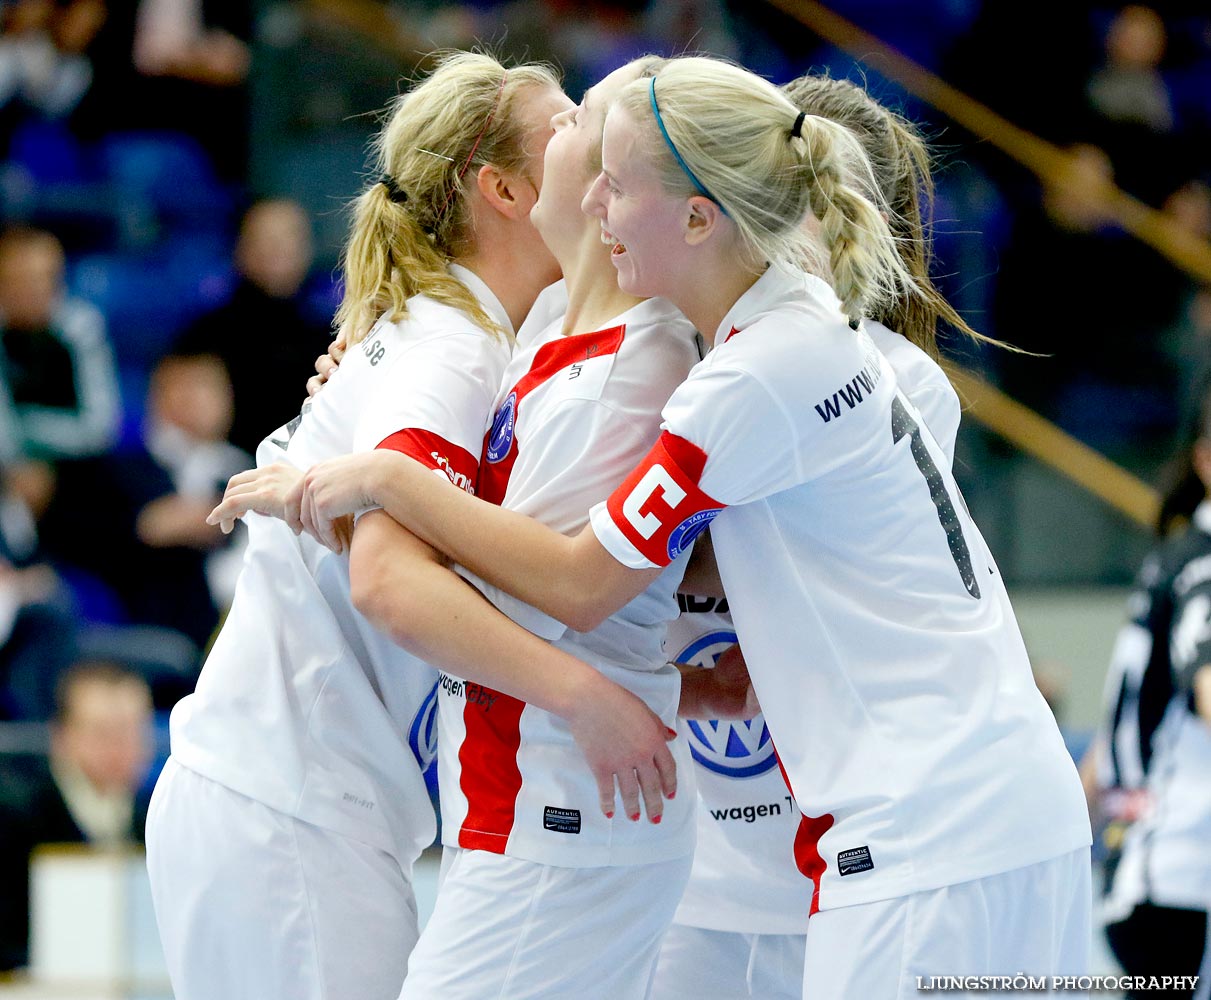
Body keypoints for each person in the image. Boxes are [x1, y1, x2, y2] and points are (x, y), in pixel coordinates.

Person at [273, 56, 1092, 997]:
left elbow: (583, 582)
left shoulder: (746, 378)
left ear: (702, 215)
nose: (595, 207)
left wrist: (387, 476)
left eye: (616, 188)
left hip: (914, 831)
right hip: (960, 811)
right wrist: (372, 382)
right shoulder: (784, 339)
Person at [144, 53, 656, 1000]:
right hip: (290, 803)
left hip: (296, 795)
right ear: (502, 190)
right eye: (563, 130)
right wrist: (586, 698)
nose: (592, 143)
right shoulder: (449, 350)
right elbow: (389, 581)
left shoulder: (481, 333)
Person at [649, 72, 976, 1000]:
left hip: (835, 855)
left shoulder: (901, 383)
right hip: (686, 858)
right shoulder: (669, 346)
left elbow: (695, 544)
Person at [1092, 383, 1211, 999]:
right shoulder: (1202, 563)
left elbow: (1121, 726)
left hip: (1141, 872)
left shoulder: (1173, 556)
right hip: (1177, 873)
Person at [0, 660, 153, 972]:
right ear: (62, 736)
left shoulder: (153, 819)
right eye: (102, 732)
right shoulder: (15, 817)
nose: (119, 747)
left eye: (129, 730)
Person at [172, 199, 334, 456]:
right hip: (228, 474)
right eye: (266, 238)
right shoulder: (206, 332)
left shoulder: (330, 335)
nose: (279, 249)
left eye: (290, 237)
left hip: (308, 471)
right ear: (241, 245)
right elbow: (184, 421)